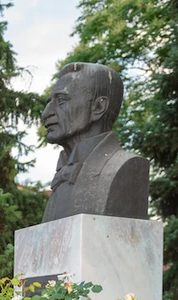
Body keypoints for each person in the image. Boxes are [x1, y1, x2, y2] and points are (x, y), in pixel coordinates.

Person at [40, 62, 149, 223]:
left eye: (61, 101)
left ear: (98, 107)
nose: (46, 113)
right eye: (49, 103)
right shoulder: (61, 178)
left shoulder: (126, 167)